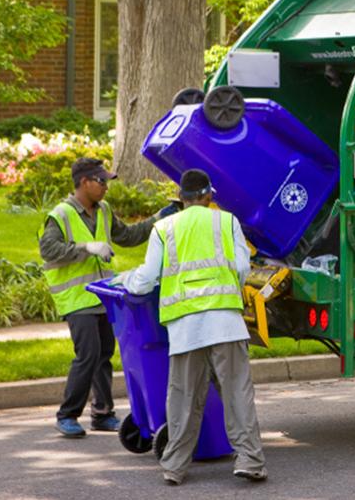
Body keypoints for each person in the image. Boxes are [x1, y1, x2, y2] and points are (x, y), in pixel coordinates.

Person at [120, 168, 266, 486]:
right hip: (226, 324)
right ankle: (250, 460)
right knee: (236, 392)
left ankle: (174, 466)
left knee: (183, 397)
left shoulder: (164, 228)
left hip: (186, 329)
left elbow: (145, 281)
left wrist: (125, 280)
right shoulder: (227, 222)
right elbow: (242, 268)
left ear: (181, 198)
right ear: (209, 195)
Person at [39, 157, 177, 438]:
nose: (105, 187)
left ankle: (102, 413)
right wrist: (87, 247)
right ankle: (67, 414)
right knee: (88, 354)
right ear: (84, 182)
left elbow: (126, 236)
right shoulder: (61, 214)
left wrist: (157, 220)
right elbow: (49, 249)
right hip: (77, 299)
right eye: (101, 181)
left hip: (102, 297)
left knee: (104, 354)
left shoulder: (103, 210)